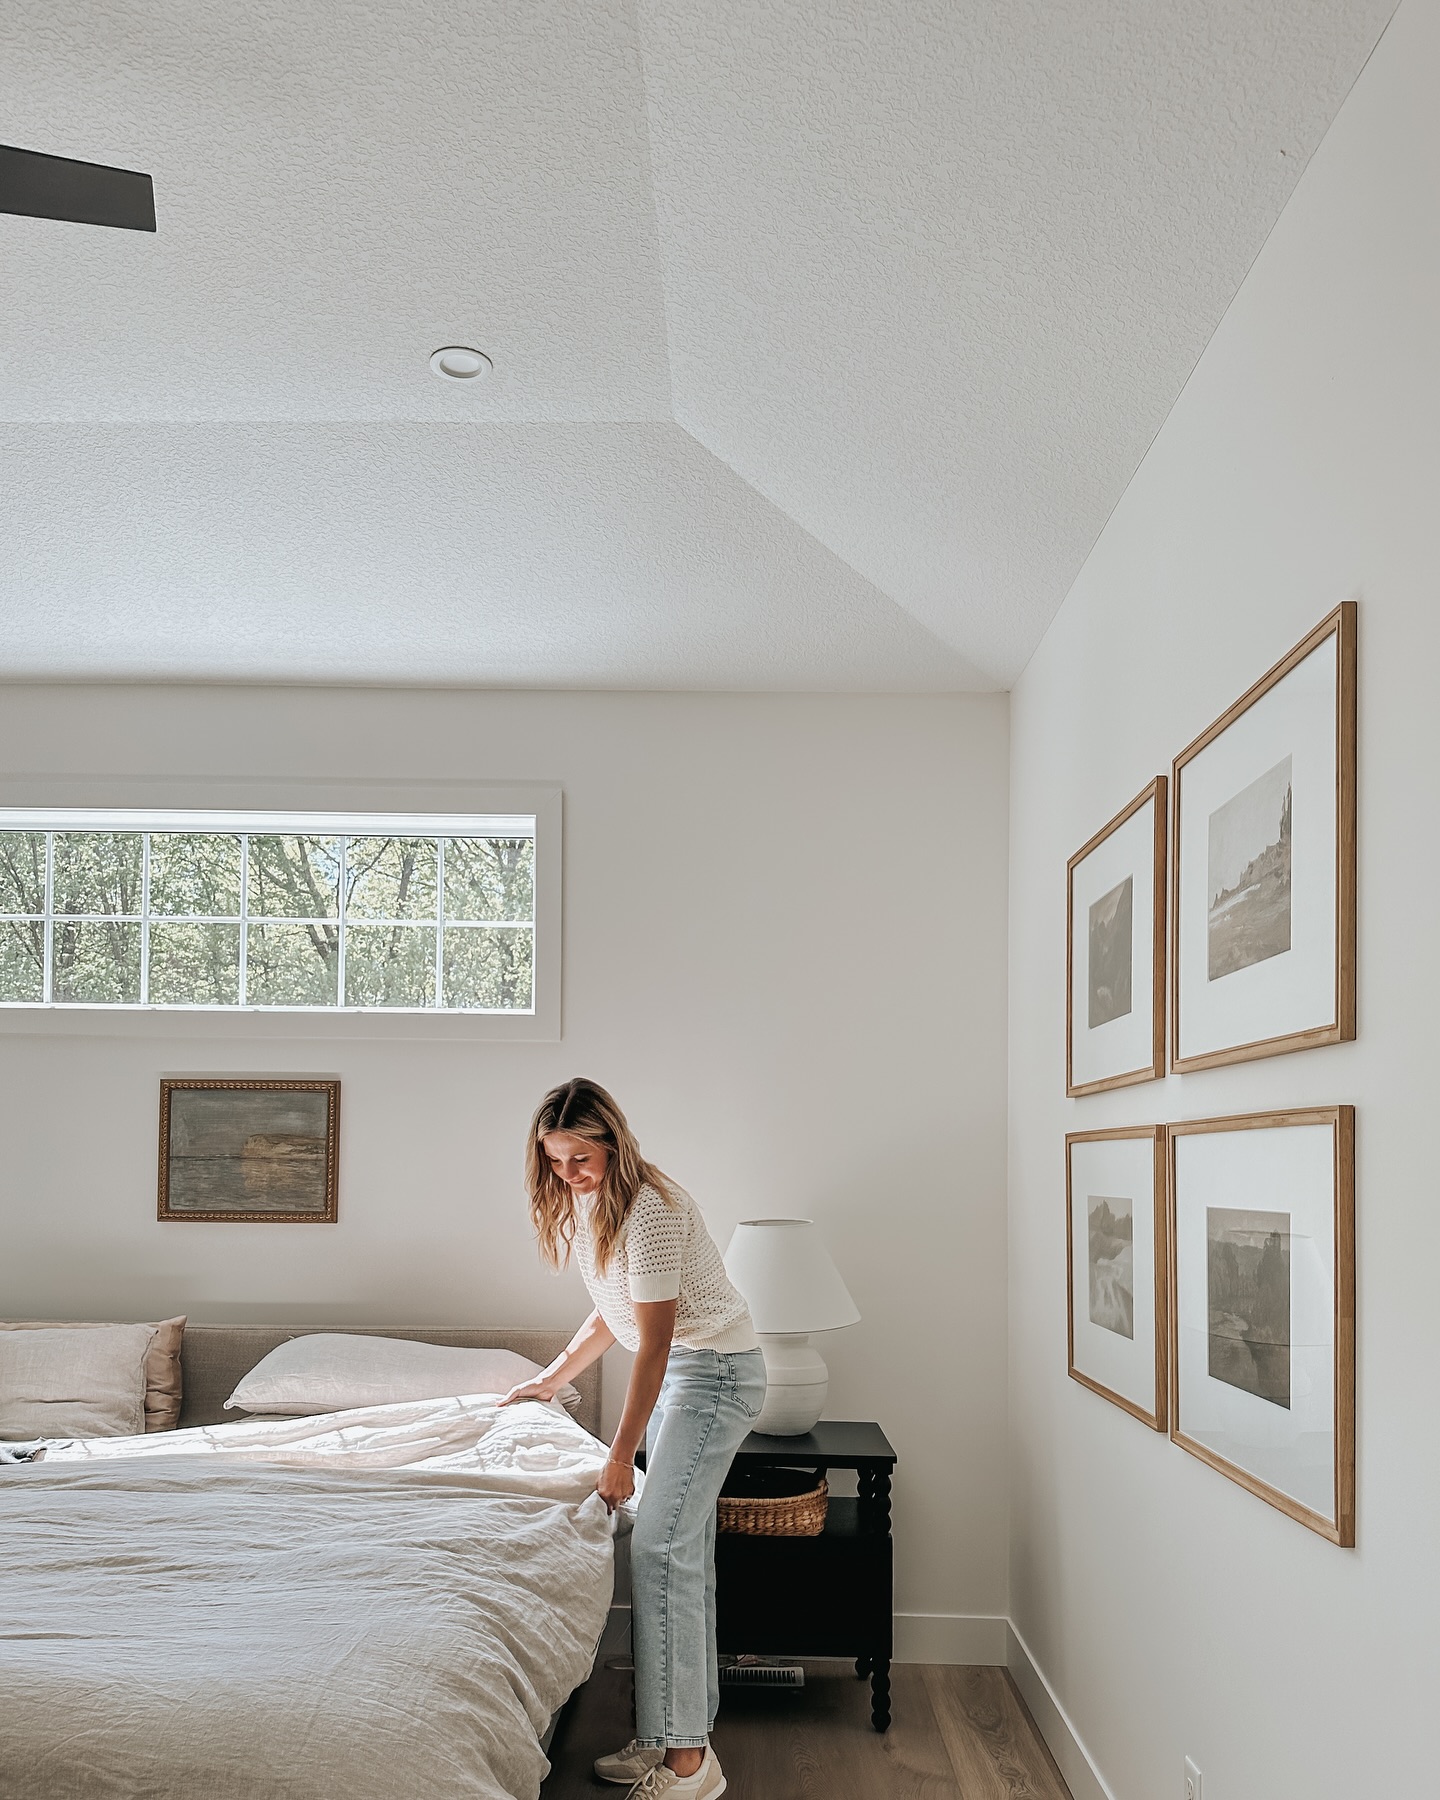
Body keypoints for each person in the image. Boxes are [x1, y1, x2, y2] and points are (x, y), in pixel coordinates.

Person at [500, 1077, 765, 1800]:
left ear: (613, 1142)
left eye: (580, 1158)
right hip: (688, 1369)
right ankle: (671, 1736)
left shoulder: (648, 1210)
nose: (568, 1174)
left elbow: (651, 1345)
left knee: (659, 1545)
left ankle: (689, 1768)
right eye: (555, 1161)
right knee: (684, 1552)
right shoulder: (596, 1202)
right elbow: (613, 1312)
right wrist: (551, 1378)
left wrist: (621, 1456)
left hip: (714, 1375)